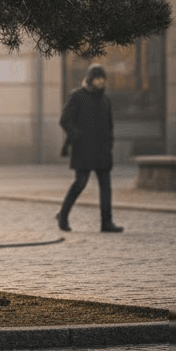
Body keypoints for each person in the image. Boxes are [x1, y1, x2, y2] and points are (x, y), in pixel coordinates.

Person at [56, 63, 123, 233]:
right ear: (90, 79)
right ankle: (63, 215)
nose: (100, 82)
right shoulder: (77, 96)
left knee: (106, 187)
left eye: (102, 79)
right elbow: (65, 120)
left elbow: (110, 125)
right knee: (80, 183)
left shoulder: (106, 99)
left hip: (102, 149)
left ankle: (106, 223)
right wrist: (77, 135)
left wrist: (109, 144)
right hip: (83, 148)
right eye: (97, 79)